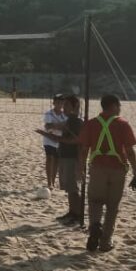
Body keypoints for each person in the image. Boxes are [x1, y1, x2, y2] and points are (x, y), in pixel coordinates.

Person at [78, 94, 136, 253]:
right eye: (119, 106)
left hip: (97, 168)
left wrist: (82, 168)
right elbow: (130, 151)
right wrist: (135, 172)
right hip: (117, 169)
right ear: (113, 106)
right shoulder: (123, 124)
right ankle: (105, 242)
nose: (120, 108)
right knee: (112, 206)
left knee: (95, 201)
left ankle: (94, 225)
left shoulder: (91, 124)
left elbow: (84, 149)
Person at [52, 95, 83, 225]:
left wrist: (59, 139)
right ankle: (72, 212)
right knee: (69, 188)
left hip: (72, 158)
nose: (64, 108)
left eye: (67, 105)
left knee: (73, 188)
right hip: (64, 156)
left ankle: (78, 214)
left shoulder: (76, 121)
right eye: (63, 105)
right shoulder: (69, 120)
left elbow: (78, 141)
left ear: (75, 106)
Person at [41, 95, 65, 190]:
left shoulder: (65, 115)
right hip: (49, 139)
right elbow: (48, 127)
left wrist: (55, 126)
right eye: (58, 102)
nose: (59, 104)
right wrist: (60, 126)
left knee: (57, 161)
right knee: (50, 158)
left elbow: (66, 127)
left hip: (60, 140)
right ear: (54, 103)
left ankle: (53, 181)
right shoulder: (49, 113)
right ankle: (49, 182)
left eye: (61, 103)